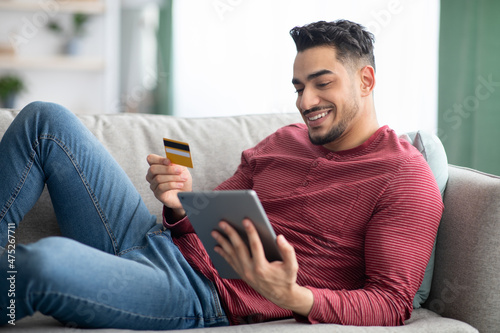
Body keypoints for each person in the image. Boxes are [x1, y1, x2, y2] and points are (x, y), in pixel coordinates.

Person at [0, 20, 443, 329]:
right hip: (158, 244)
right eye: (298, 86)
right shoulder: (284, 139)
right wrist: (180, 202)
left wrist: (293, 297)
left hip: (197, 293)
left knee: (40, 262)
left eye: (322, 83)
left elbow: (390, 303)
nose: (305, 101)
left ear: (366, 81)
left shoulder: (405, 177)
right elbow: (203, 221)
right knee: (45, 120)